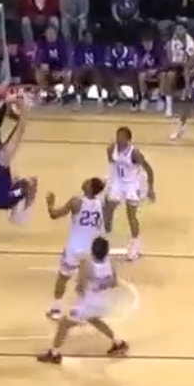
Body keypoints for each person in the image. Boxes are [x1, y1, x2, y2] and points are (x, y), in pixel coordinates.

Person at [37, 236, 130, 364]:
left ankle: (53, 353)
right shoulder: (109, 263)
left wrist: (79, 292)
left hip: (88, 304)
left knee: (64, 324)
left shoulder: (87, 264)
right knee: (94, 320)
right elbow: (114, 283)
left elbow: (81, 286)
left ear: (92, 250)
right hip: (103, 301)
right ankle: (119, 343)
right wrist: (100, 284)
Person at [45, 177, 107, 320]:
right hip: (89, 249)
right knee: (83, 280)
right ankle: (78, 310)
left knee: (63, 277)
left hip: (74, 248)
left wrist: (50, 204)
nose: (85, 182)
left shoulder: (76, 201)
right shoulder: (100, 204)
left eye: (88, 182)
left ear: (90, 188)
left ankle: (56, 309)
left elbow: (54, 215)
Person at [0, 101, 37, 223]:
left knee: (14, 177)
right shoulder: (3, 155)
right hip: (1, 200)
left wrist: (5, 104)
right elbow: (20, 131)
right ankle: (19, 216)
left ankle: (14, 200)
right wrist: (24, 111)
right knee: (31, 183)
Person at [104, 127, 157, 261]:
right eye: (117, 136)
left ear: (128, 139)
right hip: (118, 182)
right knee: (107, 210)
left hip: (132, 184)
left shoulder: (135, 153)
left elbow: (149, 170)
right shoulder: (111, 149)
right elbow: (113, 165)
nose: (119, 139)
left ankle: (136, 244)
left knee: (131, 214)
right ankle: (106, 240)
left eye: (122, 137)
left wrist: (150, 188)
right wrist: (109, 182)